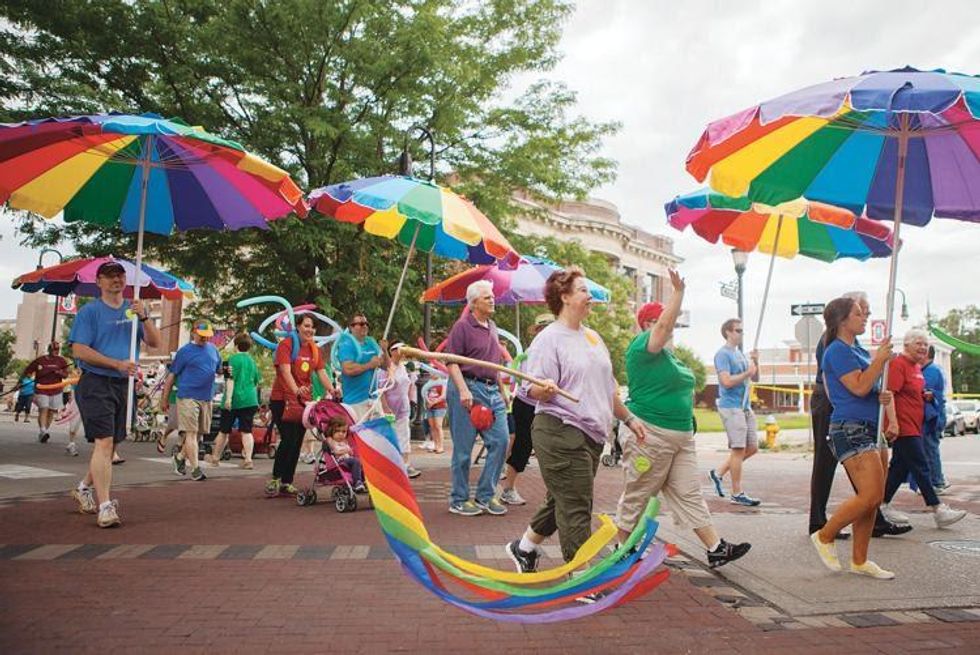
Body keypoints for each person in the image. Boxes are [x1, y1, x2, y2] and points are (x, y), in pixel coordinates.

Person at [505, 267, 647, 590]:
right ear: (565, 297)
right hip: (559, 428)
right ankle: (580, 577)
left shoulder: (593, 338)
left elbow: (606, 389)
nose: (589, 296)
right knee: (577, 503)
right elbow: (528, 390)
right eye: (583, 290)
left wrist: (629, 419)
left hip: (592, 435)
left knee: (564, 498)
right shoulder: (548, 339)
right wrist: (545, 388)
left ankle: (524, 548)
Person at [615, 272, 752, 568]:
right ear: (647, 325)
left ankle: (716, 547)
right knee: (638, 493)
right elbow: (663, 326)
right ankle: (621, 550)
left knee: (690, 493)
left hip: (680, 437)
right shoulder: (641, 348)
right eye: (660, 323)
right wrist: (678, 292)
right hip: (649, 435)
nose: (668, 328)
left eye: (668, 324)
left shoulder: (672, 358)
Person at [808, 291, 911, 540]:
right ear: (843, 317)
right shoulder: (834, 344)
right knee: (826, 460)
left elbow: (868, 379)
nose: (866, 316)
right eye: (860, 311)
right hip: (833, 404)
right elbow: (846, 383)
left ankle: (873, 519)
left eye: (867, 311)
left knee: (868, 477)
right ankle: (820, 525)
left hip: (859, 411)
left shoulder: (855, 344)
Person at [68, 260, 161, 527]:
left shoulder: (133, 310)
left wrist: (144, 316)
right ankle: (106, 506)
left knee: (113, 443)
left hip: (124, 384)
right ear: (98, 282)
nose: (115, 280)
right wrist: (116, 363)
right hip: (96, 382)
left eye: (119, 275)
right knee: (105, 443)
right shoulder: (90, 312)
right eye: (109, 276)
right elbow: (79, 350)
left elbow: (154, 342)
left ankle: (84, 487)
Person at [880, 329, 966, 528]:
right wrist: (892, 423)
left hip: (915, 425)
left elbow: (912, 393)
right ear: (907, 345)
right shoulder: (898, 364)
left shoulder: (917, 368)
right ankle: (938, 509)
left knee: (899, 469)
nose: (923, 347)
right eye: (918, 343)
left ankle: (881, 505)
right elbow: (889, 394)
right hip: (903, 426)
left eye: (925, 344)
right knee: (921, 464)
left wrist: (925, 395)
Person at [444, 281, 511, 517]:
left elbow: (494, 364)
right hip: (468, 387)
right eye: (486, 297)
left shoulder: (492, 326)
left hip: (491, 390)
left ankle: (485, 495)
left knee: (501, 442)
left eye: (492, 296)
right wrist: (463, 390)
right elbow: (451, 362)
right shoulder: (462, 326)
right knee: (463, 449)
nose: (492, 300)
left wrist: (502, 391)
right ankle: (459, 498)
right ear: (473, 303)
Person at [266, 314, 338, 496]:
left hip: (303, 403)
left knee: (297, 441)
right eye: (306, 326)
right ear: (297, 326)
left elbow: (321, 372)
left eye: (312, 327)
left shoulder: (314, 349)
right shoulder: (287, 345)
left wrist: (332, 390)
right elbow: (285, 371)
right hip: (282, 400)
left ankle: (287, 482)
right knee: (288, 439)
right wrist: (295, 389)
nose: (310, 330)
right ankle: (275, 478)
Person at [499, 312, 554, 506]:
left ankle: (554, 495)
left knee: (552, 450)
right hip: (528, 406)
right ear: (538, 332)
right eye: (544, 329)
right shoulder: (531, 353)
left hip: (547, 407)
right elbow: (524, 385)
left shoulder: (555, 351)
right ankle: (508, 489)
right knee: (523, 447)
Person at [709, 318, 761, 506]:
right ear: (728, 332)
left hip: (744, 407)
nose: (740, 333)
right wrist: (747, 373)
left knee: (752, 447)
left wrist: (755, 361)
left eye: (741, 330)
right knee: (738, 450)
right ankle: (737, 493)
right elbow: (727, 382)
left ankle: (719, 472)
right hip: (731, 406)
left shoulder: (741, 354)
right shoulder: (722, 355)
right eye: (737, 330)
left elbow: (755, 377)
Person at [161, 320, 222, 482]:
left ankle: (180, 457)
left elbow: (219, 369)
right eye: (202, 336)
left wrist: (226, 371)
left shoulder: (214, 351)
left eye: (207, 336)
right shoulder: (184, 351)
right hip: (187, 396)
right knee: (191, 433)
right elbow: (172, 376)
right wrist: (164, 399)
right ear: (194, 332)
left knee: (199, 435)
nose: (205, 339)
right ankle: (195, 469)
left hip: (206, 397)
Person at [206, 333, 262, 470]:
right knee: (247, 431)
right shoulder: (253, 362)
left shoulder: (229, 361)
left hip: (233, 400)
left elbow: (229, 380)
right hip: (250, 400)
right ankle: (248, 459)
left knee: (224, 430)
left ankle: (215, 458)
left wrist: (229, 399)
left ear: (236, 345)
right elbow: (256, 381)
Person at [379, 341, 421, 478]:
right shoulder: (385, 369)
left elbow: (409, 385)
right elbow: (381, 390)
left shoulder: (403, 368)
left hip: (403, 408)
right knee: (390, 437)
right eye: (399, 349)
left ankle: (406, 464)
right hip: (390, 408)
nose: (402, 351)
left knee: (404, 435)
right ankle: (390, 466)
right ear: (392, 351)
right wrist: (385, 407)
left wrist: (412, 401)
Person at [337, 312, 383, 420]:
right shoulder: (346, 345)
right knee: (359, 436)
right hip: (355, 402)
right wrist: (369, 365)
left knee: (379, 436)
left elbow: (385, 366)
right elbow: (348, 369)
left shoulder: (371, 343)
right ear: (351, 327)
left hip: (374, 400)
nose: (365, 326)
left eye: (366, 323)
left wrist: (384, 350)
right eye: (361, 324)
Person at [23, 342, 69, 442]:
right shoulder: (40, 360)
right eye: (54, 349)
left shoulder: (61, 361)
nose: (56, 351)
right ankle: (43, 430)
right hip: (41, 389)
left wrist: (59, 372)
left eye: (57, 349)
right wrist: (26, 377)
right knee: (44, 408)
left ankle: (44, 432)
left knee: (51, 411)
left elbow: (66, 375)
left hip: (56, 390)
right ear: (49, 350)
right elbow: (28, 371)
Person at [920, 345, 948, 492]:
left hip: (931, 417)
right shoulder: (934, 369)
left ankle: (937, 482)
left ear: (925, 354)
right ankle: (935, 481)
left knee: (930, 449)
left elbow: (924, 391)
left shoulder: (931, 371)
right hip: (934, 416)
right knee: (929, 448)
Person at [325, 416, 367, 493]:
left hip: (348, 461)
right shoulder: (330, 440)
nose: (341, 434)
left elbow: (351, 453)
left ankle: (364, 481)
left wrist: (350, 451)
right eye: (337, 431)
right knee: (355, 461)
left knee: (361, 463)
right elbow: (334, 451)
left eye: (344, 431)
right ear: (331, 431)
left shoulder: (345, 441)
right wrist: (346, 450)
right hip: (339, 462)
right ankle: (357, 482)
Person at [423, 375, 447, 454]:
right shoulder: (429, 383)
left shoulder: (442, 383)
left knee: (438, 426)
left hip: (439, 406)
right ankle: (436, 445)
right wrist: (428, 401)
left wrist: (433, 402)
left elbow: (443, 396)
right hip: (430, 407)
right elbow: (425, 393)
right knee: (432, 427)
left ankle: (441, 446)